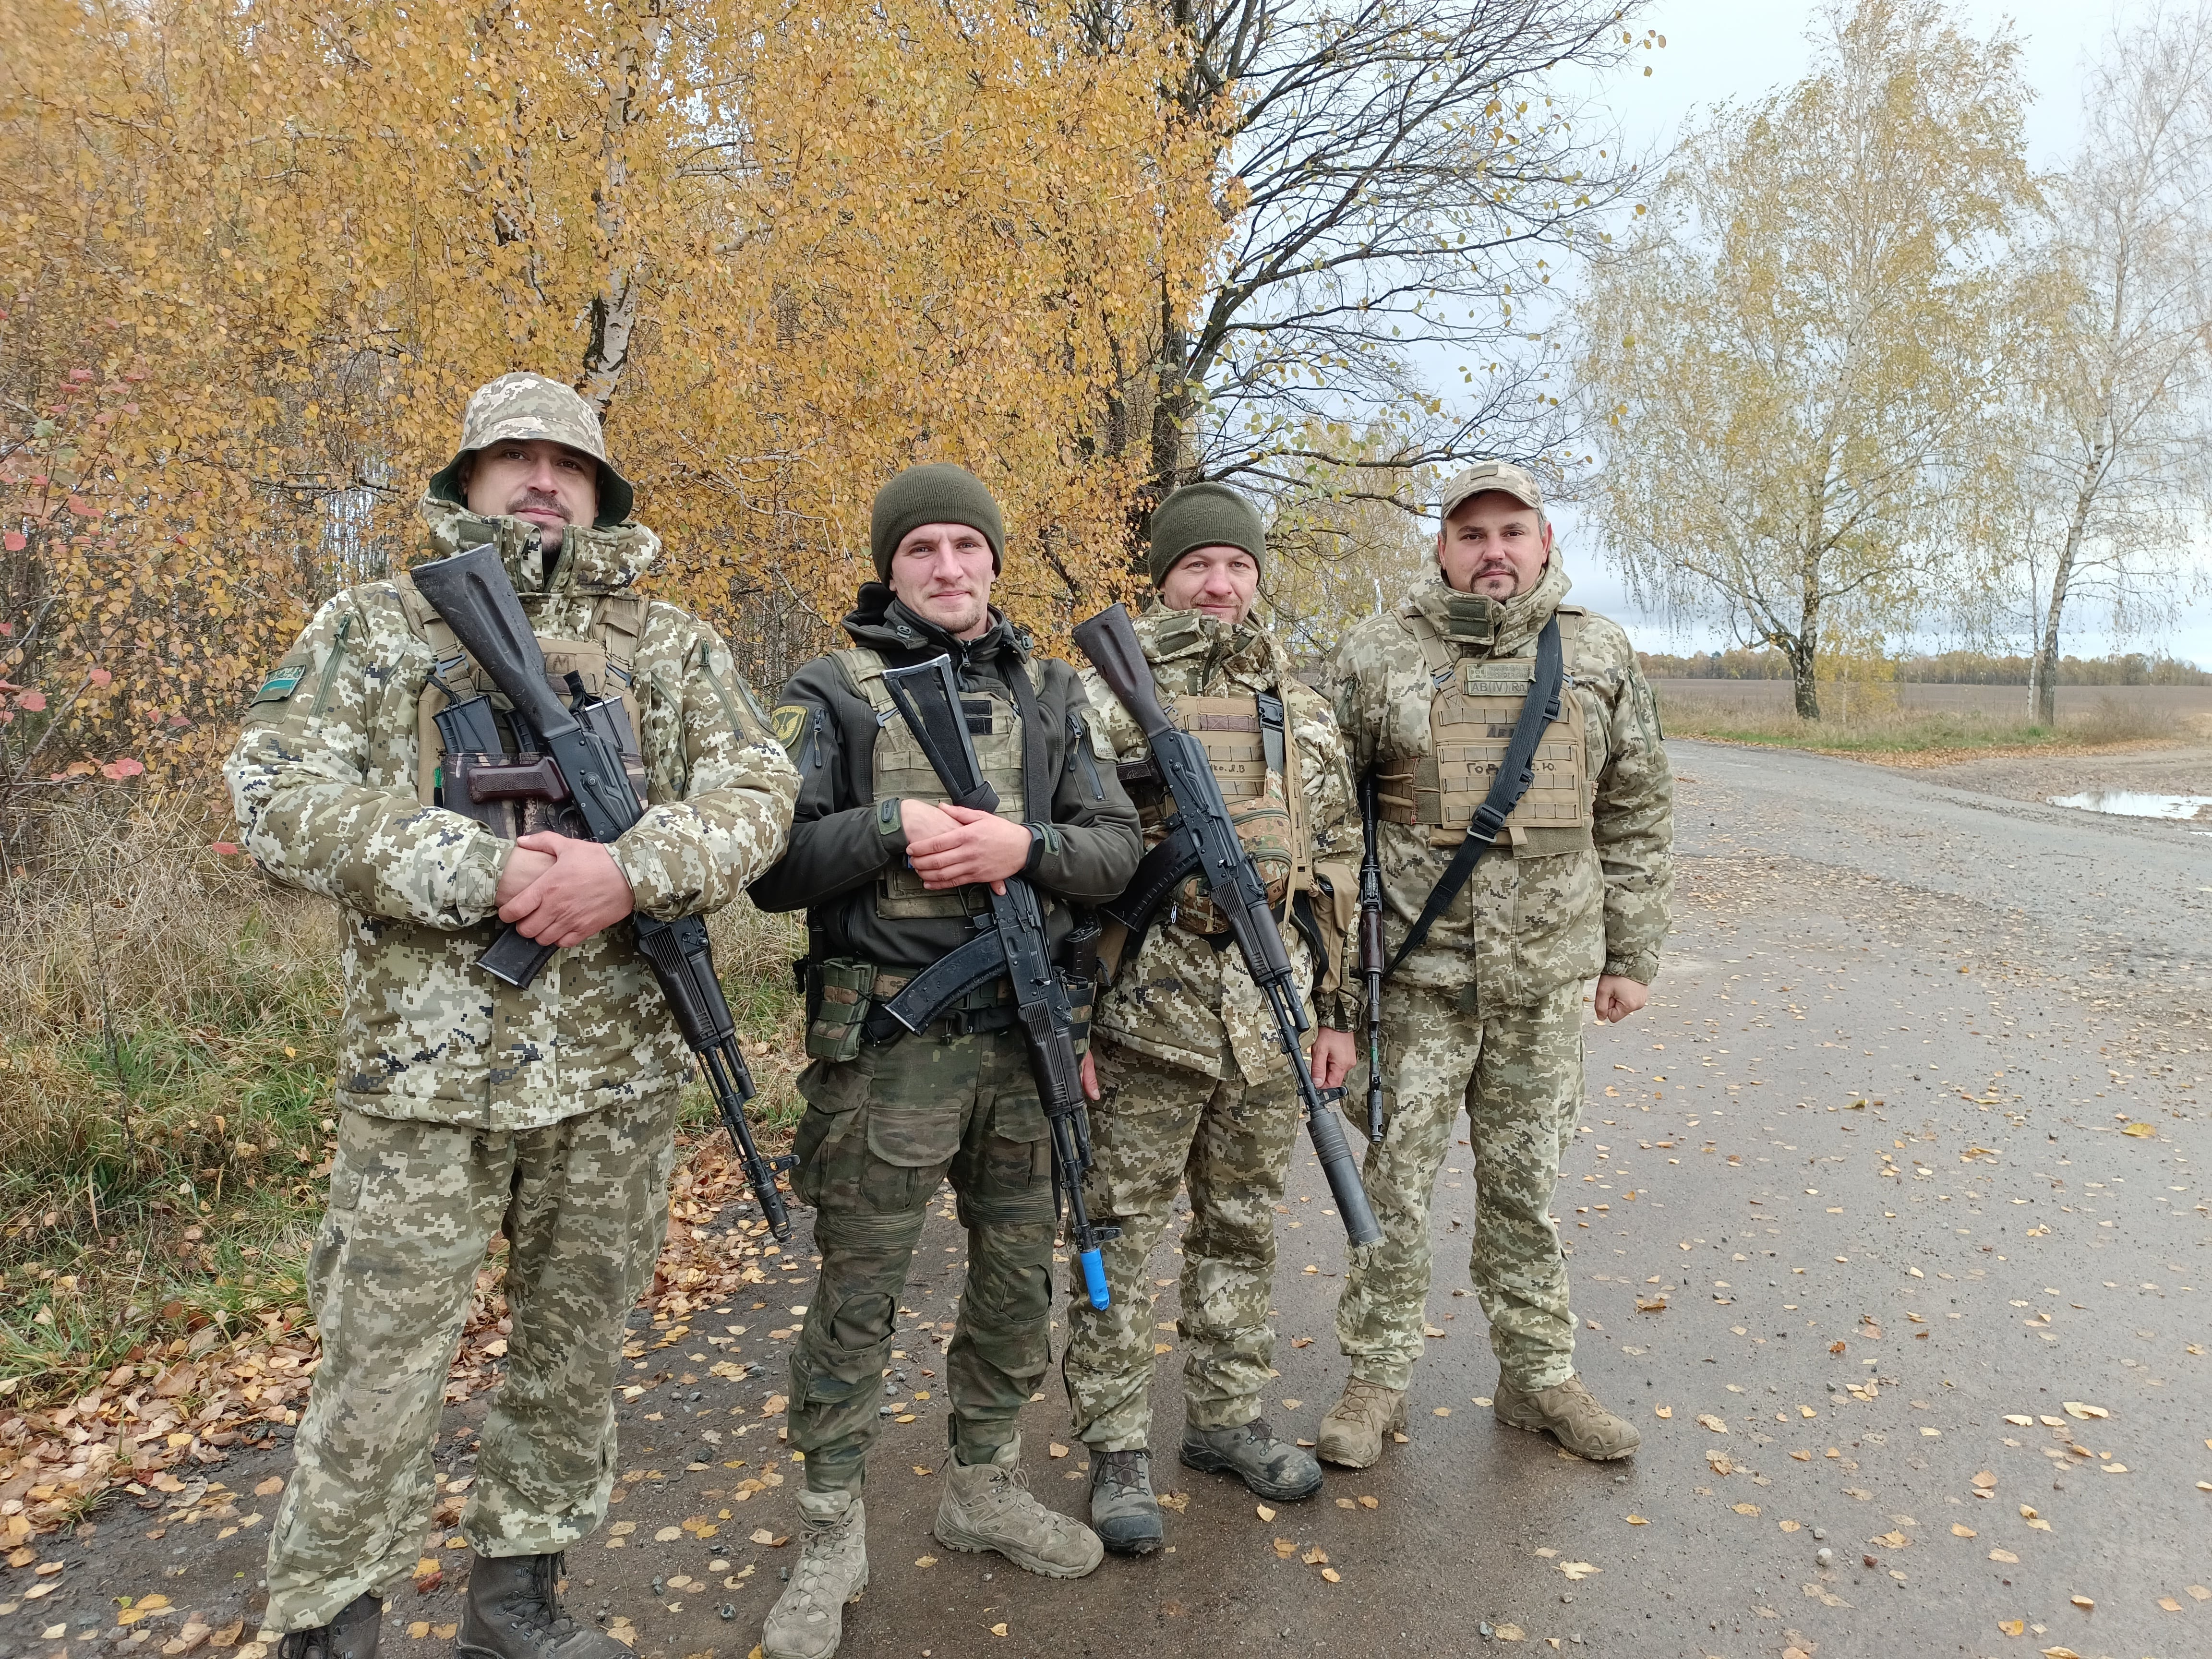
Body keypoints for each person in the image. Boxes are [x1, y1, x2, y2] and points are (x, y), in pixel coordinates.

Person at [225, 372, 801, 1659]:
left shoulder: (671, 644)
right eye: (516, 458)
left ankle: (517, 1610)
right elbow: (276, 799)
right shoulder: (374, 628)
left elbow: (761, 791)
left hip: (612, 1082)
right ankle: (328, 1626)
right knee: (378, 1374)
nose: (544, 480)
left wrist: (631, 872)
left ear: (600, 492)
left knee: (571, 1356)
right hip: (427, 1079)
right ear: (469, 478)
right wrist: (480, 873)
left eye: (570, 464)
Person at [747, 463, 1141, 1659]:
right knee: (858, 1295)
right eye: (923, 548)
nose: (950, 568)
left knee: (1019, 1282)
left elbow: (1117, 846)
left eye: (969, 547)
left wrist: (1026, 846)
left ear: (995, 564)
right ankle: (829, 1531)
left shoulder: (1054, 693)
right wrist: (888, 829)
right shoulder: (828, 693)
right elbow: (766, 864)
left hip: (1025, 1042)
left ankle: (981, 1485)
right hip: (887, 1048)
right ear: (891, 566)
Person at [1317, 458, 1672, 1468]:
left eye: (1512, 532)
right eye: (1471, 535)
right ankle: (1376, 1379)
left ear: (1545, 542)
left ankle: (1537, 1375)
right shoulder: (1379, 654)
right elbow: (1331, 830)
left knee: (1526, 1188)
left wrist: (1631, 954)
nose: (1493, 553)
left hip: (1545, 985)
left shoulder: (1598, 655)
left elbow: (1638, 808)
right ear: (1440, 548)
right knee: (1393, 1190)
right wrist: (1336, 989)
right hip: (1416, 986)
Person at [1059, 483, 1358, 1553]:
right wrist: (1071, 1022)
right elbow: (1057, 873)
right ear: (1165, 577)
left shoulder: (1303, 709)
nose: (1220, 585)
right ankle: (1117, 1446)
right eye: (1199, 567)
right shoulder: (1093, 701)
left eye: (1237, 566)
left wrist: (1338, 1011)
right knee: (1117, 1237)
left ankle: (1226, 1420)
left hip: (1268, 1019)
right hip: (1141, 1017)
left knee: (1239, 1231)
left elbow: (1336, 871)